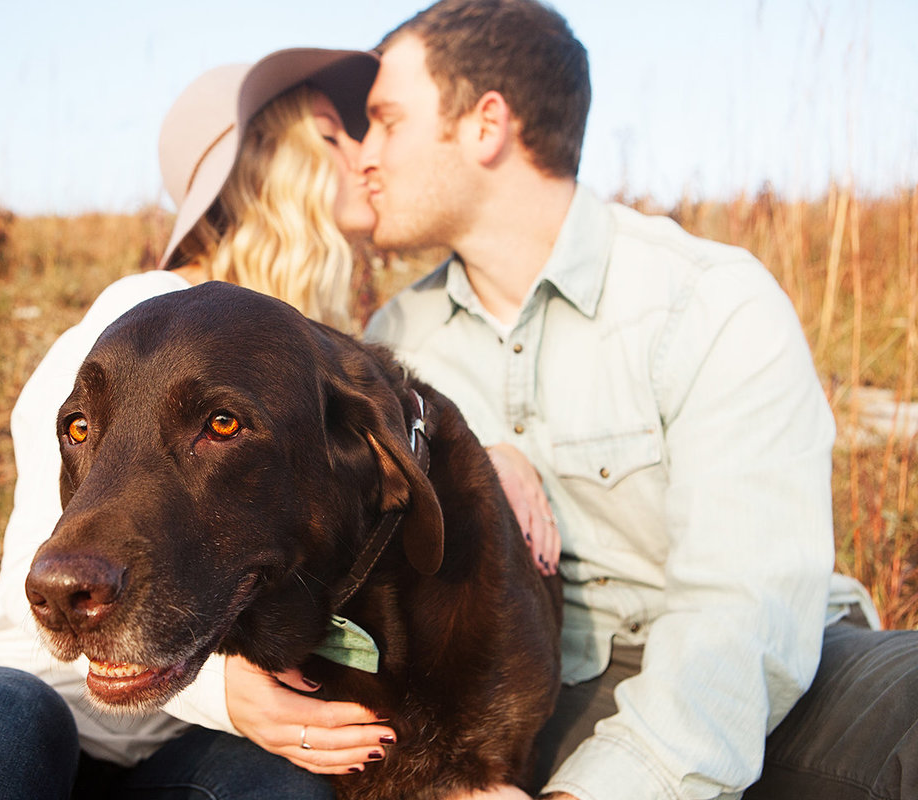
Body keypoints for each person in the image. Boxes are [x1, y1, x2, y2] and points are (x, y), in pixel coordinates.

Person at [349, 1, 916, 798]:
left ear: (486, 125)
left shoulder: (710, 299)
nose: (364, 156)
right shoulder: (393, 339)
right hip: (544, 698)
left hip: (782, 683)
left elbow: (740, 615)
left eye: (386, 121)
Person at [0, 46, 391, 800]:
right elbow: (28, 574)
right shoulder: (145, 320)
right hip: (29, 697)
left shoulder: (328, 371)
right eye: (337, 136)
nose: (371, 155)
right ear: (269, 163)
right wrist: (223, 695)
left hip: (180, 750)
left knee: (283, 784)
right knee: (10, 722)